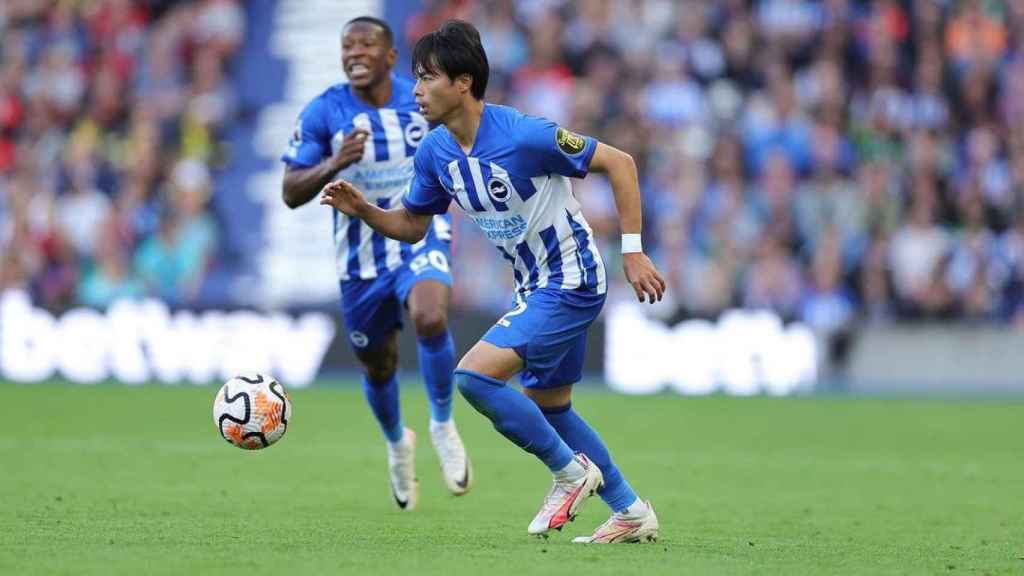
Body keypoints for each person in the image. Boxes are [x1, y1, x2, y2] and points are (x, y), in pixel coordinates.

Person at [320, 19, 665, 543]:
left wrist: (634, 253)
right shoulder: (436, 152)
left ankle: (570, 475)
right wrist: (364, 208)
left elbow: (620, 163)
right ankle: (631, 511)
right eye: (415, 78)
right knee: (553, 407)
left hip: (572, 278)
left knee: (474, 377)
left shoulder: (524, 136)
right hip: (534, 285)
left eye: (428, 77)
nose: (416, 90)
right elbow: (413, 226)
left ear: (463, 83)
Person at [280, 16, 470, 511]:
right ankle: (396, 444)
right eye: (348, 46)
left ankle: (443, 423)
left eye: (367, 44)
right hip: (360, 253)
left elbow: (463, 136)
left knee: (431, 315)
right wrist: (334, 163)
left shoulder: (422, 99)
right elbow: (290, 192)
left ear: (389, 57)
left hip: (418, 227)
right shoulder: (325, 110)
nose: (355, 52)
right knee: (378, 362)